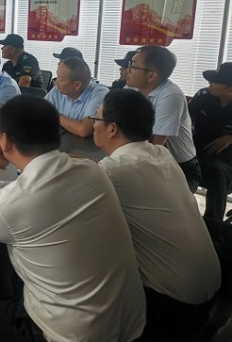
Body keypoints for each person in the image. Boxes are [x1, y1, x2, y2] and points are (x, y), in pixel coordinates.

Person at [0, 96, 145, 342]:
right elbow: (40, 193)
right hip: (131, 323)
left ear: (4, 140)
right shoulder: (92, 170)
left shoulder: (14, 203)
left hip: (69, 335)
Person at [93, 89, 220, 339]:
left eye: (95, 119)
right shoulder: (160, 154)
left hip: (174, 306)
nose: (93, 125)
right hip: (209, 286)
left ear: (112, 128)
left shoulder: (113, 171)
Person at [125, 45, 200, 192]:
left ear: (151, 76)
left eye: (133, 66)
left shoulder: (171, 96)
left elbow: (156, 147)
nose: (128, 70)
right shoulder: (131, 89)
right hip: (145, 159)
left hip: (180, 168)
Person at [189, 62, 232, 220]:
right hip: (196, 146)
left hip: (225, 156)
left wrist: (230, 138)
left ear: (229, 89)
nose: (209, 83)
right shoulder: (204, 95)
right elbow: (184, 117)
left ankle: (213, 222)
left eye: (215, 81)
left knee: (217, 172)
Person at [45, 56, 108, 137]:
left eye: (60, 79)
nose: (56, 82)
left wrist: (55, 115)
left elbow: (84, 130)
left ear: (77, 85)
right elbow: (40, 113)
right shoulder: (58, 89)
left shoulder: (99, 93)